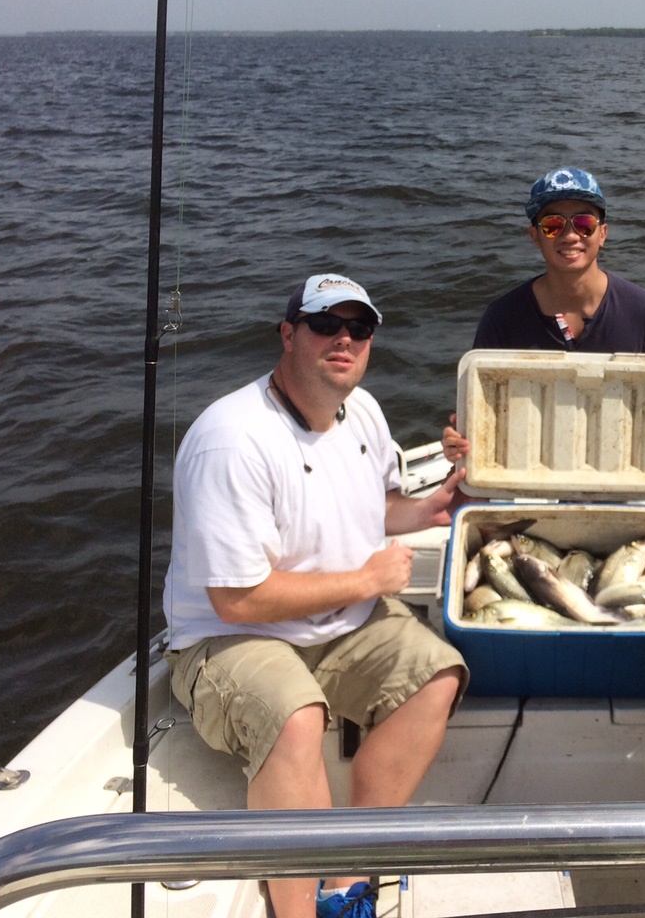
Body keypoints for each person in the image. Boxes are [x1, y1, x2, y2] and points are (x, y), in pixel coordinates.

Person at [162, 274, 470, 918]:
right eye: (327, 324)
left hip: (339, 623)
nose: (345, 339)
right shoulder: (233, 439)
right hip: (230, 639)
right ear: (288, 334)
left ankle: (348, 873)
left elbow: (380, 505)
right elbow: (236, 602)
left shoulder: (363, 412)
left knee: (437, 675)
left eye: (359, 329)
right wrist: (367, 581)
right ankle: (296, 910)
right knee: (298, 715)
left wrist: (433, 509)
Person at [442, 167, 645, 461]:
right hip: (531, 473)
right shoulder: (501, 317)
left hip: (626, 470)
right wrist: (460, 441)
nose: (570, 235)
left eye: (584, 223)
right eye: (553, 225)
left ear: (602, 233)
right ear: (535, 236)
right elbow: (483, 411)